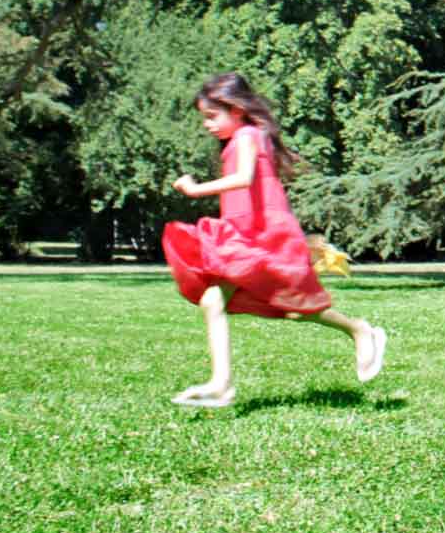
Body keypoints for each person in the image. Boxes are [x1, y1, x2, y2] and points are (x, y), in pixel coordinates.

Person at [162, 72, 386, 407]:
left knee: (299, 307)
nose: (207, 125)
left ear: (236, 109)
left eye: (212, 116)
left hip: (266, 236)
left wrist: (196, 190)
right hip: (242, 235)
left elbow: (244, 178)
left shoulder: (250, 135)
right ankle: (222, 384)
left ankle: (360, 330)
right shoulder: (237, 141)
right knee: (214, 300)